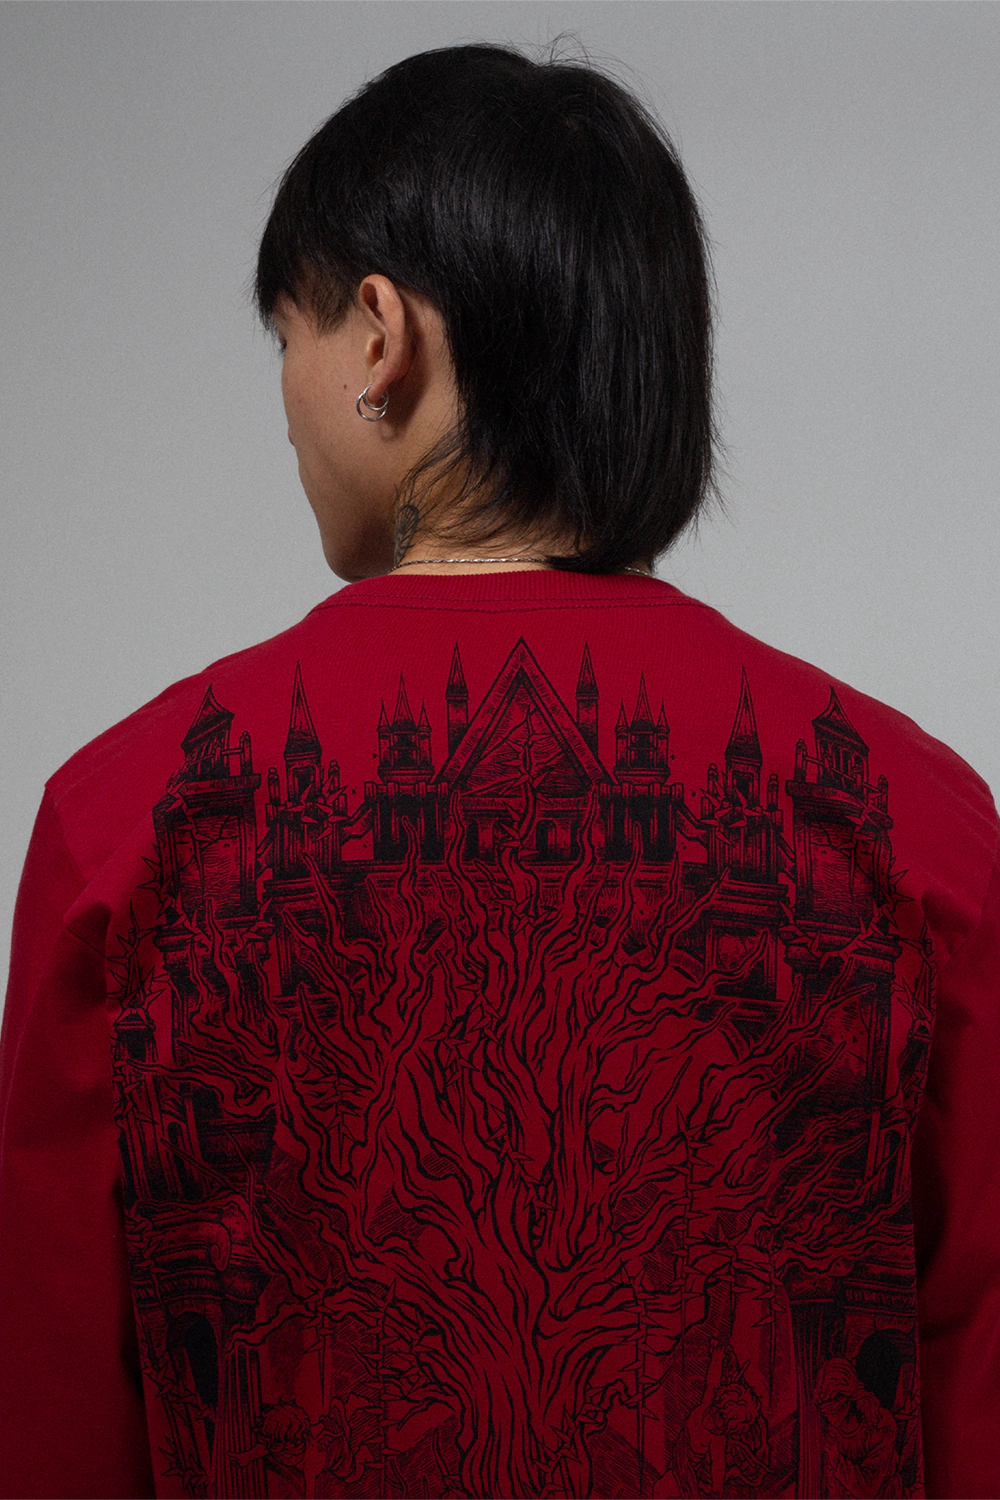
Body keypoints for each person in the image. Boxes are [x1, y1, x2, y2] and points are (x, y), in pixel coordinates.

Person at [0, 37, 996, 1500]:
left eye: (288, 337)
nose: (285, 397)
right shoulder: (913, 826)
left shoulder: (130, 827)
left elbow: (55, 1432)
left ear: (381, 338)